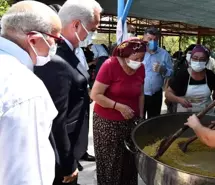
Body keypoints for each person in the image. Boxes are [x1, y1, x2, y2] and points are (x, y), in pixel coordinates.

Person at [34, 0, 102, 184]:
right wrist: (67, 163)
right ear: (76, 25)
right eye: (93, 29)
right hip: (59, 156)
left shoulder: (70, 52)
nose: (93, 34)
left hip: (71, 147)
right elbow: (56, 119)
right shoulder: (56, 57)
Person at [0, 1, 61, 184]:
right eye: (55, 40)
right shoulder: (24, 88)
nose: (55, 47)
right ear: (33, 39)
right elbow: (26, 176)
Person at [90, 38, 146, 185]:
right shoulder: (110, 65)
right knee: (111, 163)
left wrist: (140, 116)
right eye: (136, 58)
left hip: (130, 121)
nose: (139, 62)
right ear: (125, 55)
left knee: (129, 162)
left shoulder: (141, 68)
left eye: (142, 58)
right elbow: (95, 95)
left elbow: (140, 94)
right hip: (107, 123)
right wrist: (118, 106)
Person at [166, 45, 215, 112]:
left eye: (202, 59)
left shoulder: (210, 75)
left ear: (207, 61)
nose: (198, 61)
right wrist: (178, 99)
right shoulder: (182, 74)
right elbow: (168, 93)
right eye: (195, 58)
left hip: (206, 113)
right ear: (190, 59)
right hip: (185, 114)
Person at [143, 27, 173, 119]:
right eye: (150, 39)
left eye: (155, 40)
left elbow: (171, 73)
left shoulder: (164, 54)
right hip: (139, 94)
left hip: (155, 94)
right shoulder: (138, 52)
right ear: (144, 38)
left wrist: (163, 70)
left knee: (154, 120)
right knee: (138, 120)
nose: (152, 42)